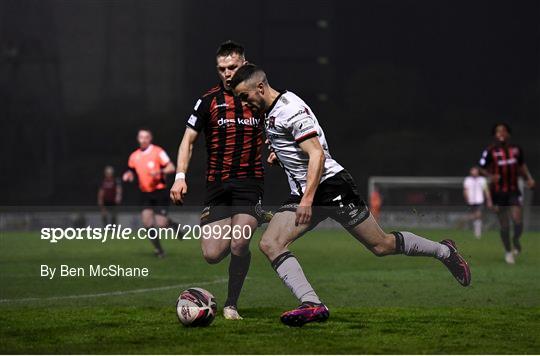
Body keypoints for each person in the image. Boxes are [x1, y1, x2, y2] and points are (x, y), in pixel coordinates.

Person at [230, 64, 471, 327]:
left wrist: (308, 199)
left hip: (332, 187)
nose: (244, 104)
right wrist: (282, 156)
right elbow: (302, 148)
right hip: (304, 190)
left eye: (245, 97)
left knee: (381, 246)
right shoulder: (271, 111)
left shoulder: (289, 109)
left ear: (261, 88)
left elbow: (317, 154)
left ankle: (445, 252)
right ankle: (312, 304)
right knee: (270, 243)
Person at [170, 41, 270, 320]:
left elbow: (278, 129)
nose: (227, 73)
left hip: (249, 183)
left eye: (233, 67)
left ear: (244, 64)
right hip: (217, 187)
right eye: (222, 69)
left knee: (239, 243)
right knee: (213, 254)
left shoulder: (259, 98)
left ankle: (231, 304)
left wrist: (274, 150)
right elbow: (188, 140)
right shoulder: (208, 101)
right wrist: (180, 177)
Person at [478, 123, 535, 264]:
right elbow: (480, 168)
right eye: (498, 131)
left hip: (513, 190)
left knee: (517, 221)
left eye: (503, 131)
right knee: (504, 225)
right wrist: (490, 176)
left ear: (508, 134)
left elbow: (522, 166)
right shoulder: (490, 151)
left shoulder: (516, 150)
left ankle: (515, 240)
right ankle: (508, 251)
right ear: (494, 135)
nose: (501, 133)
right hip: (498, 192)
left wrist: (529, 178)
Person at [123, 128, 176, 258]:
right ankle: (159, 250)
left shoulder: (158, 152)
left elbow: (171, 167)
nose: (143, 139)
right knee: (147, 223)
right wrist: (128, 175)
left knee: (161, 224)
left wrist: (159, 172)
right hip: (145, 193)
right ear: (138, 139)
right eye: (141, 137)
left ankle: (173, 225)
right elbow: (131, 171)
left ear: (150, 138)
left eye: (146, 137)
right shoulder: (134, 156)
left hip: (160, 191)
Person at [463, 166, 492, 238]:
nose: (473, 172)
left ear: (478, 172)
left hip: (479, 200)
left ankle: (477, 232)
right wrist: (466, 198)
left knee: (478, 215)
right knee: (475, 217)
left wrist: (489, 200)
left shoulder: (482, 180)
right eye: (472, 170)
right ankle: (475, 230)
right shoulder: (468, 180)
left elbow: (486, 190)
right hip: (471, 201)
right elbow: (465, 190)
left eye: (474, 170)